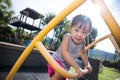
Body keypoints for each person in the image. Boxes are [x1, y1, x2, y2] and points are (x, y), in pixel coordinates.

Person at [47, 14, 93, 80]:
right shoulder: (67, 37)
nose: (79, 35)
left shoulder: (82, 43)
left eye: (84, 32)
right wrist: (77, 67)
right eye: (76, 30)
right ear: (70, 27)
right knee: (59, 74)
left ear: (88, 33)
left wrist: (87, 65)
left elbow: (83, 53)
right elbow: (64, 52)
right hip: (56, 61)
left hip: (66, 67)